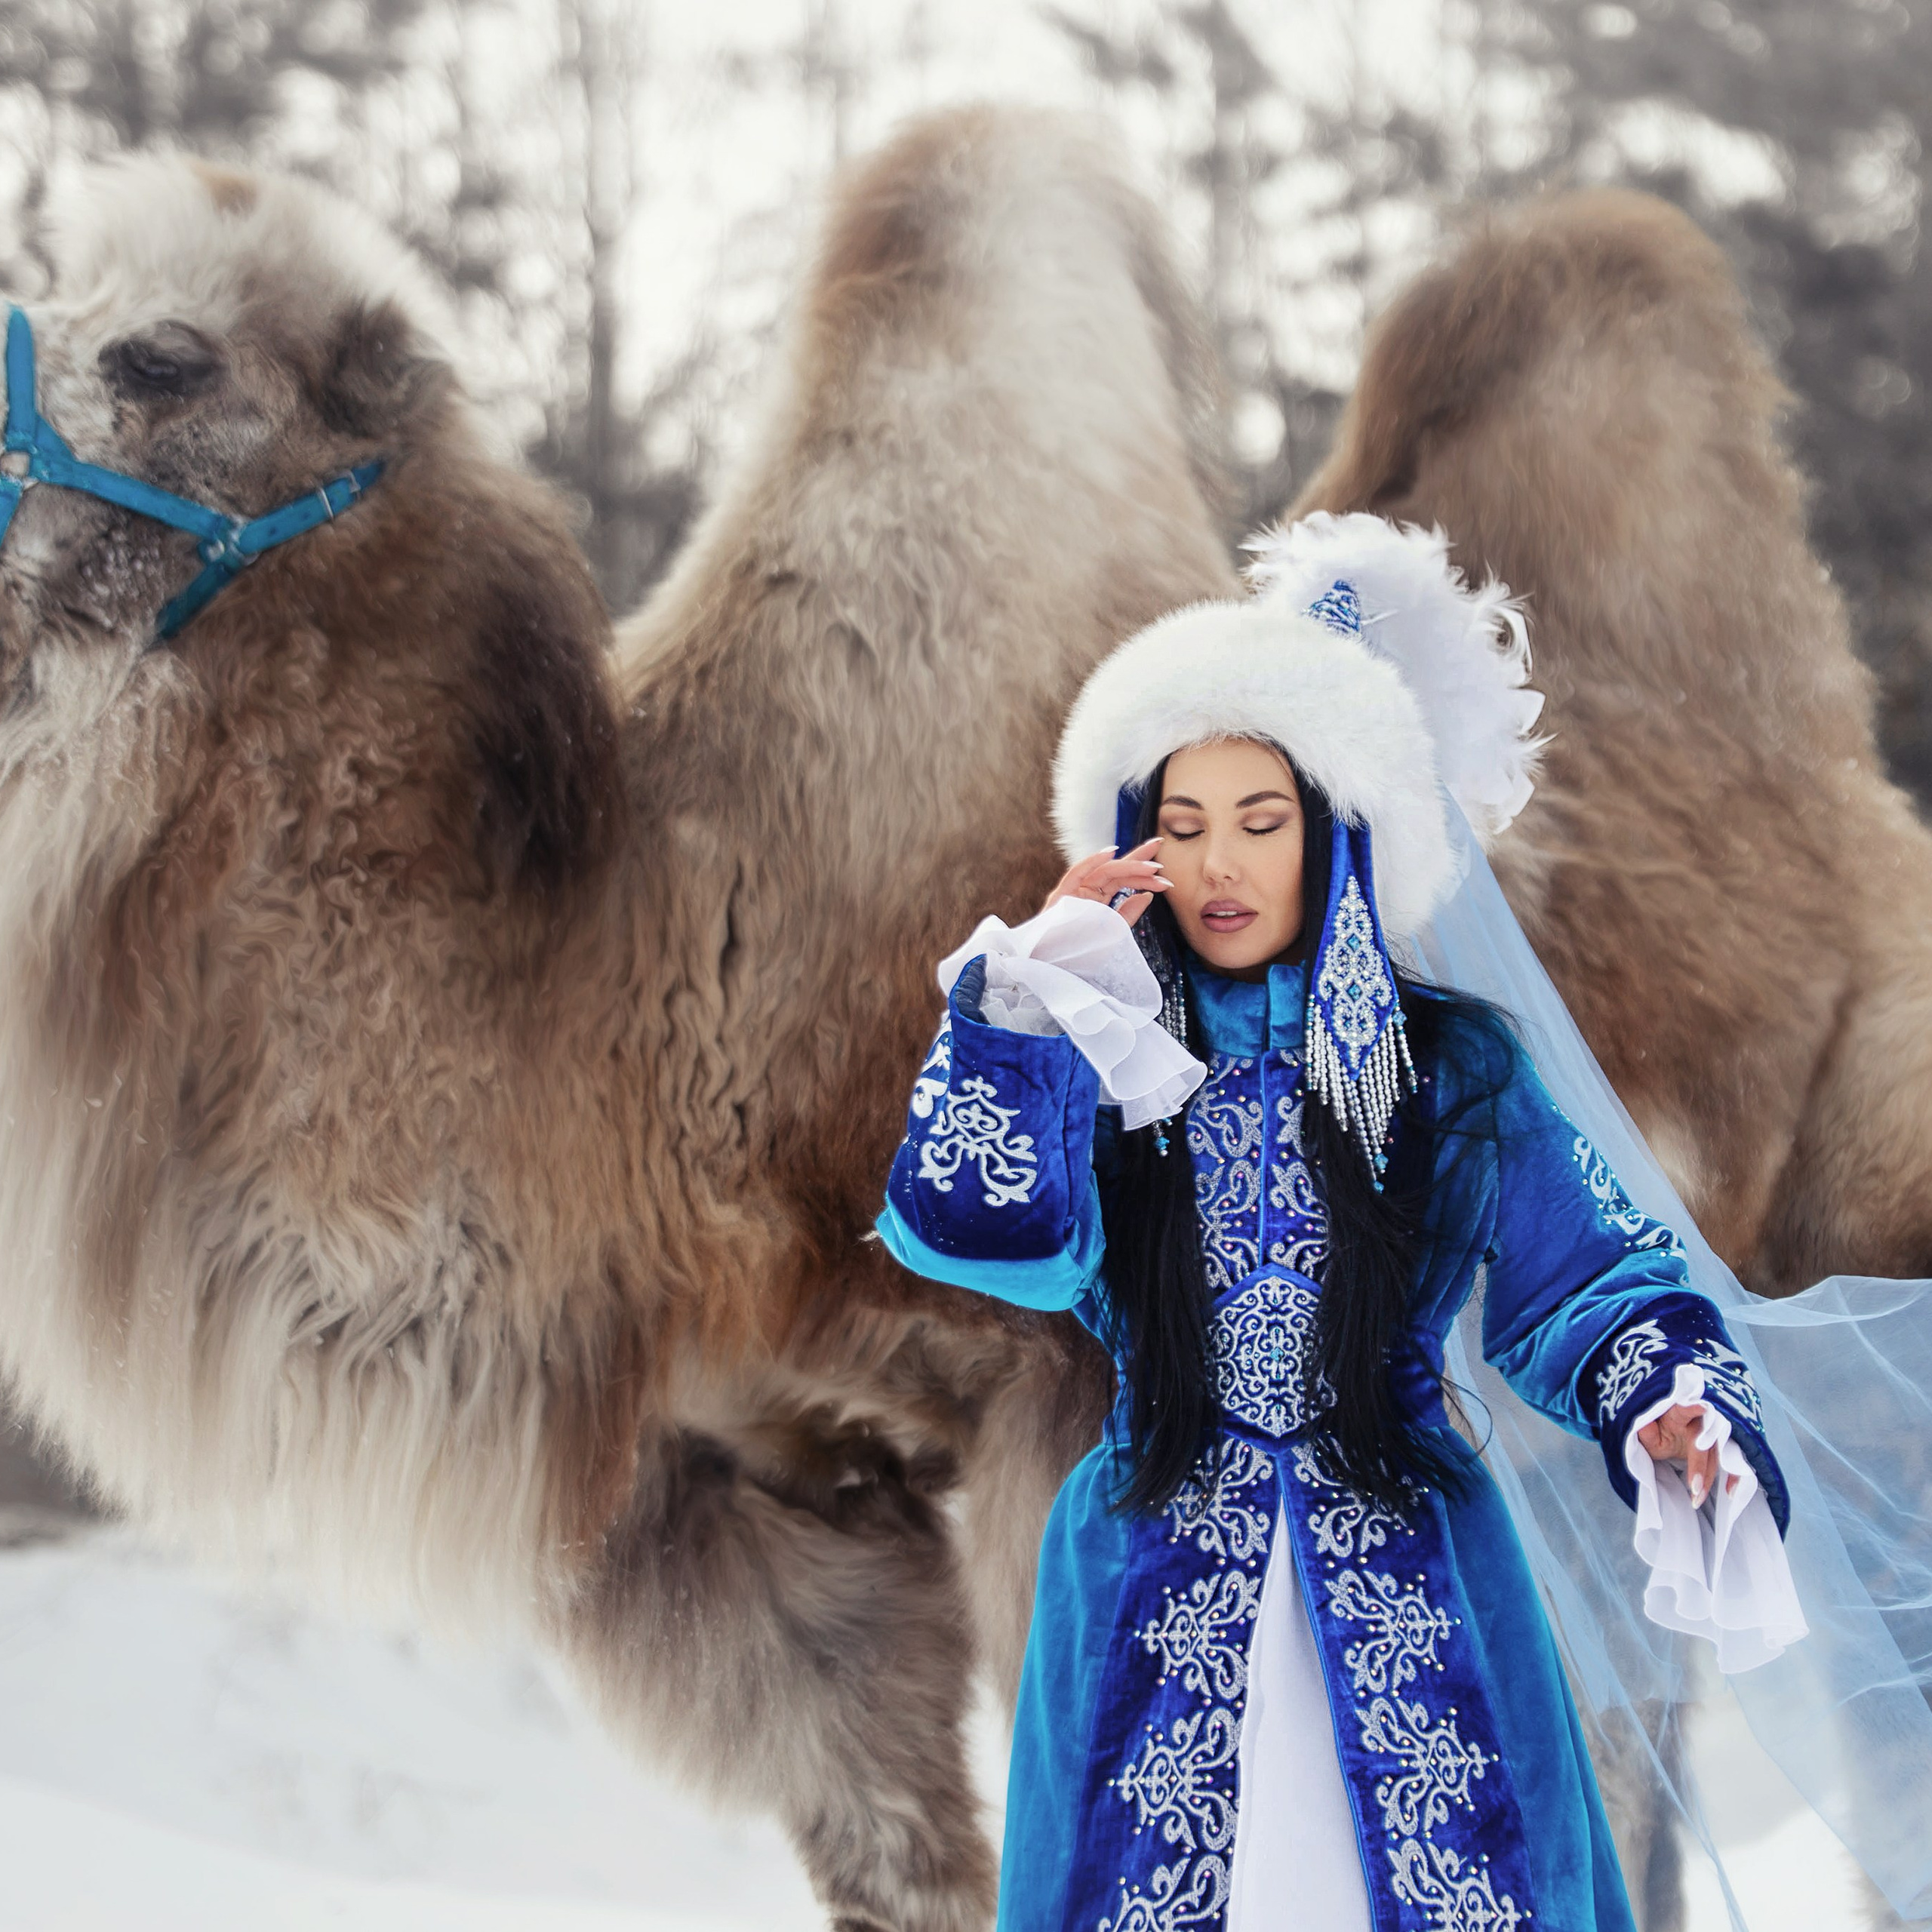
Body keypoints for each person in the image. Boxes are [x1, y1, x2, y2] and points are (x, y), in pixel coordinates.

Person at [875, 519, 1804, 1932]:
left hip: (1418, 1575)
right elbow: (975, 1230)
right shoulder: (1104, 1052)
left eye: (1263, 821)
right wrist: (1031, 995)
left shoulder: (1451, 1069)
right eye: (1181, 826)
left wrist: (1667, 1400)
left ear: (1335, 834)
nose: (1221, 864)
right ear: (1134, 839)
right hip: (1151, 1584)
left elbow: (1595, 1275)